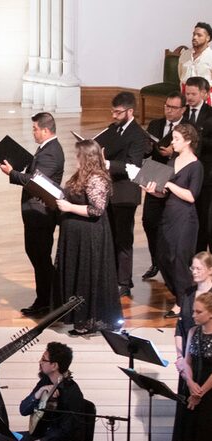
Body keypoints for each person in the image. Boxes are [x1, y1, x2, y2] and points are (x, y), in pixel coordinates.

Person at [0, 112, 64, 317]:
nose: (33, 132)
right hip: (34, 213)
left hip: (41, 213)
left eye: (35, 129)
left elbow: (36, 182)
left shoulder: (51, 152)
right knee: (36, 255)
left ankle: (49, 300)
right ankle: (47, 299)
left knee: (40, 257)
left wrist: (12, 173)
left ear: (45, 130)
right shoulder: (46, 148)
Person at [54, 140, 123, 335]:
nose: (75, 158)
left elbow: (97, 209)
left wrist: (69, 207)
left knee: (87, 274)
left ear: (86, 158)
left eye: (78, 155)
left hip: (89, 236)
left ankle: (88, 319)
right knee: (77, 273)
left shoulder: (97, 179)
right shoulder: (82, 175)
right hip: (77, 235)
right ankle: (78, 317)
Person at [144, 124, 203, 318]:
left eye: (176, 139)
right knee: (162, 257)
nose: (172, 142)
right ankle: (182, 294)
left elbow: (191, 196)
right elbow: (164, 193)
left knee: (178, 259)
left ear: (187, 141)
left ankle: (182, 302)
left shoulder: (196, 165)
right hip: (168, 216)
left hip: (185, 219)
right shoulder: (172, 161)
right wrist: (154, 190)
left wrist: (168, 183)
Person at [103, 91, 149, 298]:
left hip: (125, 193)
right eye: (112, 111)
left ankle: (124, 281)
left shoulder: (138, 135)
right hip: (109, 190)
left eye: (118, 112)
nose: (114, 116)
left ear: (130, 111)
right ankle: (111, 277)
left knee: (123, 238)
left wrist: (108, 163)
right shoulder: (114, 129)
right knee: (110, 235)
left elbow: (134, 165)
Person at [0, 342, 88, 441]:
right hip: (39, 435)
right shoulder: (45, 381)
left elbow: (66, 431)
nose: (40, 362)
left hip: (54, 439)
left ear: (54, 366)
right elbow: (23, 410)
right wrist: (38, 392)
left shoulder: (72, 393)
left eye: (44, 359)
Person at [142, 92, 185, 279]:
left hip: (176, 175)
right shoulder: (155, 124)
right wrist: (147, 148)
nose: (168, 110)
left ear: (183, 110)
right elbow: (146, 153)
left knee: (170, 223)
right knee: (149, 221)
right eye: (166, 106)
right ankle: (155, 261)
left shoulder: (187, 128)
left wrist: (172, 154)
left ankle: (170, 262)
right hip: (155, 172)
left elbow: (192, 156)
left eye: (173, 107)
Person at [173, 252, 212, 441]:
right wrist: (181, 358)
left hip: (206, 362)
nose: (194, 272)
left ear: (210, 270)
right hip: (189, 361)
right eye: (192, 268)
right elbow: (180, 327)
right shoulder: (188, 293)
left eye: (199, 268)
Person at [187, 76, 212, 252]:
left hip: (205, 174)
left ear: (204, 93)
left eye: (193, 94)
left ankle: (201, 256)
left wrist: (196, 141)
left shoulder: (210, 115)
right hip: (183, 174)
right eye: (187, 93)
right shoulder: (181, 111)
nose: (188, 97)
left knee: (203, 216)